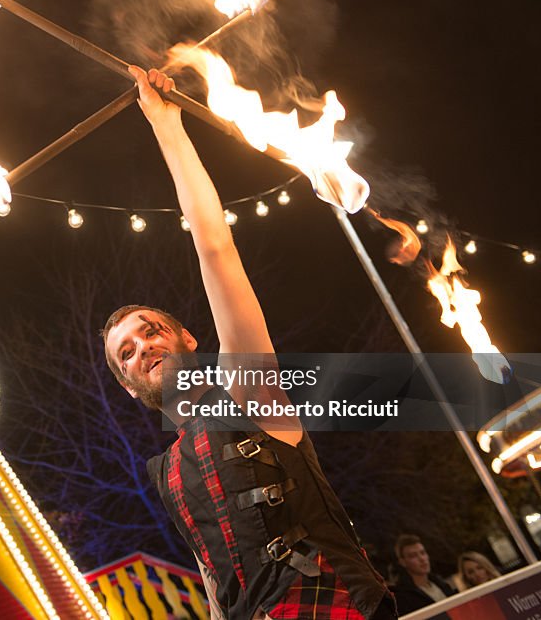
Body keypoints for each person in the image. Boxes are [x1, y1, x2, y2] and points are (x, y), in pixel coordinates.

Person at [100, 66, 395, 619]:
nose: (143, 347)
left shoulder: (247, 392)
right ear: (130, 386)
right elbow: (218, 580)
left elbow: (215, 248)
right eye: (127, 352)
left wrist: (167, 127)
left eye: (150, 330)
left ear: (187, 338)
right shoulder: (165, 472)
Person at [389, 535, 456, 616]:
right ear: (403, 562)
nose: (422, 558)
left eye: (423, 553)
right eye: (413, 555)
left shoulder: (441, 584)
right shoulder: (403, 597)